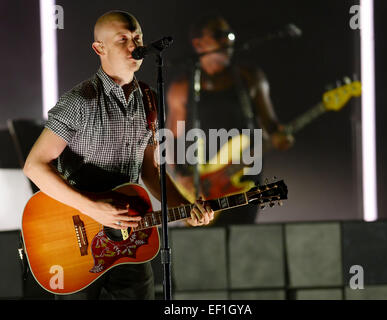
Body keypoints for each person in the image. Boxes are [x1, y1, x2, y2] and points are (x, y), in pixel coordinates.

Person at [23, 10, 214, 300]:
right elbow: (34, 166)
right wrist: (94, 209)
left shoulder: (148, 98)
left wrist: (187, 209)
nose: (134, 44)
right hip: (76, 239)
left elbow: (149, 170)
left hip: (129, 239)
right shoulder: (81, 100)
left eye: (137, 37)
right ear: (100, 48)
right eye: (123, 38)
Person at [166, 15, 294, 227]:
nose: (228, 40)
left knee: (241, 242)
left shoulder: (249, 77)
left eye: (230, 35)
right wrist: (182, 176)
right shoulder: (182, 86)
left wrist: (281, 137)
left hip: (244, 181)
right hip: (200, 186)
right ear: (198, 44)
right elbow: (171, 138)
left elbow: (271, 127)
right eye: (219, 35)